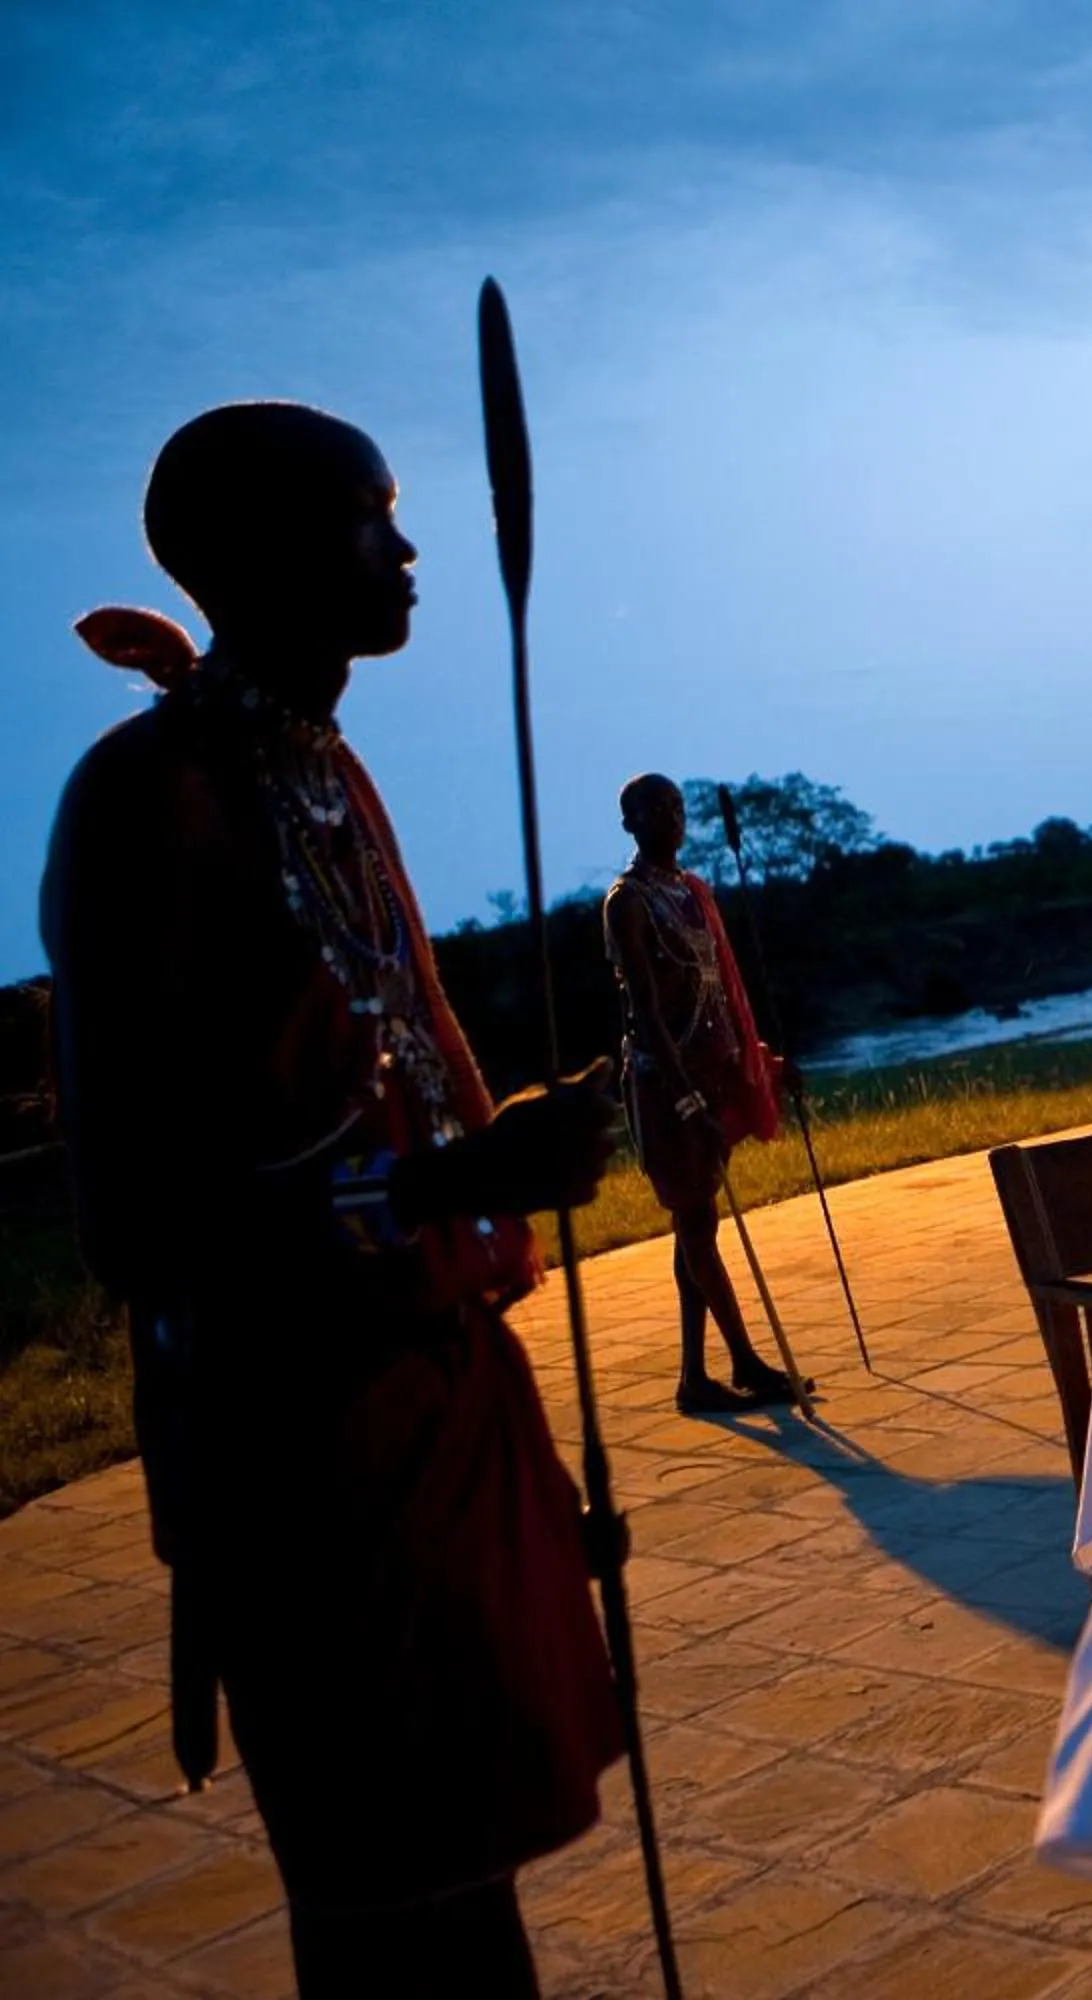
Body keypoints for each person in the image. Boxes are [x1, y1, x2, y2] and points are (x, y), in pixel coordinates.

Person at [43, 402, 625, 1998]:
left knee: (471, 1862)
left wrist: (502, 1151)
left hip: (440, 1413)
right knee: (387, 1898)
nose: (410, 549)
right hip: (298, 1453)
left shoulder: (326, 781)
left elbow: (378, 1078)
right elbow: (144, 1224)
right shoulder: (143, 802)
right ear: (265, 558)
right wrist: (452, 1179)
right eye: (373, 516)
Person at [600, 775, 806, 1414]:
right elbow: (644, 1013)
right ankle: (744, 1361)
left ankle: (695, 1377)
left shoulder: (691, 893)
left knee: (697, 1224)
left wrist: (763, 1063)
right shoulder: (626, 902)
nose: (671, 817)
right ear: (629, 823)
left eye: (677, 807)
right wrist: (688, 1101)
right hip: (667, 1086)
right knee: (696, 1222)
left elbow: (725, 996)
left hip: (711, 1076)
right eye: (653, 809)